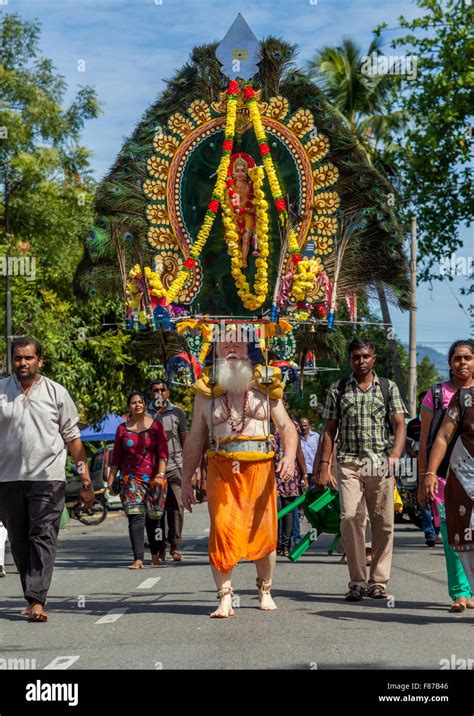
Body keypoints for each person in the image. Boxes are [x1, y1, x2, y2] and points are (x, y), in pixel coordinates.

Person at [181, 332, 298, 617]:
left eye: (237, 342)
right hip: (222, 468)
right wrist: (185, 480)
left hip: (260, 467)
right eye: (225, 343)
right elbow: (196, 439)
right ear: (217, 350)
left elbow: (287, 428)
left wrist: (291, 457)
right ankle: (224, 596)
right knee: (221, 530)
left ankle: (265, 589)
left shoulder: (267, 385)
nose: (231, 347)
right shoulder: (205, 390)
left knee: (264, 532)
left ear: (248, 349)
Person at [0, 336, 94, 622]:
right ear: (12, 360)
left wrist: (85, 480)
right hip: (8, 479)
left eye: (28, 358)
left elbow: (74, 440)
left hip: (48, 478)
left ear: (39, 360)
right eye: (18, 358)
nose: (23, 363)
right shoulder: (1, 391)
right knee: (18, 540)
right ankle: (32, 595)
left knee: (42, 535)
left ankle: (37, 600)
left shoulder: (56, 392)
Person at [317, 338, 407, 601]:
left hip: (380, 464)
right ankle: (356, 581)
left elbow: (400, 425)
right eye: (356, 357)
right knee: (350, 517)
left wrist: (395, 455)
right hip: (349, 464)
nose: (361, 361)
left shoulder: (388, 388)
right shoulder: (339, 388)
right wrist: (324, 466)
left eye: (366, 356)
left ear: (374, 358)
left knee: (383, 523)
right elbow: (329, 430)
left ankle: (378, 581)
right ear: (350, 360)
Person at [419, 340, 474, 611]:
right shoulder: (439, 395)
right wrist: (425, 475)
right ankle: (460, 593)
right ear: (450, 363)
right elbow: (433, 438)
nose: (462, 363)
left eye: (467, 357)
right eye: (457, 358)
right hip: (446, 476)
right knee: (454, 535)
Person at [108, 391, 168, 569]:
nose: (137, 405)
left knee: (155, 518)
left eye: (140, 402)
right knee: (136, 517)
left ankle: (156, 554)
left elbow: (163, 453)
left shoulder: (156, 426)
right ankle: (138, 558)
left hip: (154, 479)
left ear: (145, 404)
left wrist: (161, 474)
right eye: (133, 402)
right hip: (131, 479)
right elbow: (116, 458)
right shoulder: (122, 429)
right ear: (129, 407)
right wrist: (111, 480)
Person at [426, 385, 474, 589]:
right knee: (467, 538)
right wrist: (429, 473)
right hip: (465, 477)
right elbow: (443, 436)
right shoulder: (464, 398)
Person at [148, 380, 188, 562]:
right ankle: (159, 547)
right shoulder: (146, 413)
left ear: (168, 392)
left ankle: (175, 545)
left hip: (175, 465)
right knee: (157, 510)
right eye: (155, 390)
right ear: (150, 393)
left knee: (177, 508)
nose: (159, 393)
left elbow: (185, 440)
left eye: (162, 390)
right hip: (152, 469)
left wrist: (190, 467)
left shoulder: (177, 412)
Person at [406, 392, 440, 547]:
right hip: (420, 462)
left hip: (439, 462)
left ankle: (439, 529)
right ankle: (430, 532)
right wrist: (414, 456)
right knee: (424, 496)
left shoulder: (440, 420)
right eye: (423, 401)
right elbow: (407, 443)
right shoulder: (412, 424)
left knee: (438, 497)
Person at [273, 409, 307, 557]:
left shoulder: (292, 426)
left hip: (290, 473)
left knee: (289, 510)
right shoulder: (264, 426)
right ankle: (275, 544)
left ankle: (286, 545)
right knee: (275, 510)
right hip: (271, 474)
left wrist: (305, 474)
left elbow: (298, 451)